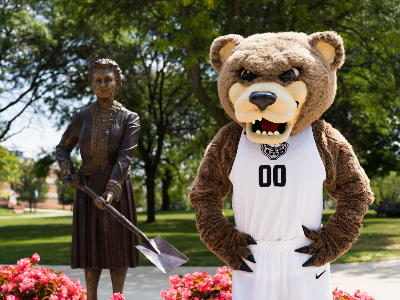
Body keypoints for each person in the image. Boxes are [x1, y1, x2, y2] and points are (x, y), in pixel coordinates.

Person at [56, 58, 140, 300]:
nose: (103, 85)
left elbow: (125, 158)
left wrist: (111, 193)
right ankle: (90, 297)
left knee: (118, 250)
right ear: (92, 84)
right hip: (87, 189)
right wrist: (68, 170)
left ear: (118, 84)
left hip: (118, 192)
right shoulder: (82, 116)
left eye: (108, 80)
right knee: (90, 251)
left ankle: (117, 297)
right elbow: (62, 148)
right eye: (98, 80)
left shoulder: (129, 118)